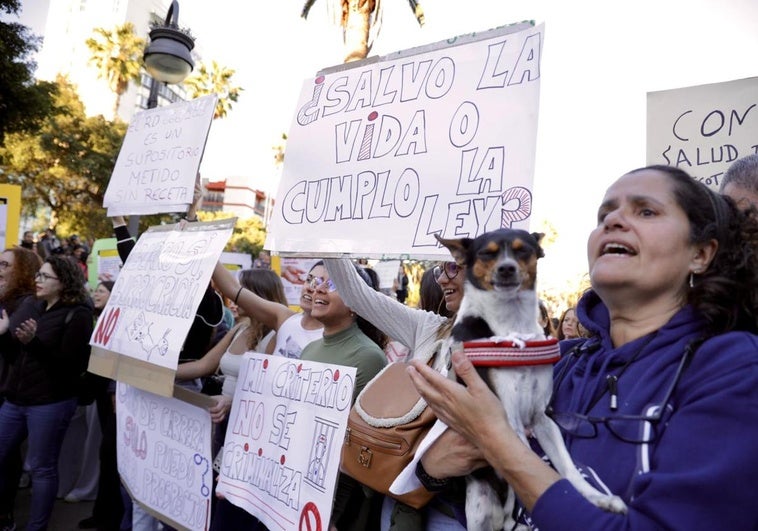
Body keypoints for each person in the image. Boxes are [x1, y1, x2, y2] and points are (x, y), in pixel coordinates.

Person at [409, 165, 758, 530]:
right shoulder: (559, 365)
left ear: (701, 254)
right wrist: (434, 468)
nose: (615, 221)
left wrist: (497, 441)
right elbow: (463, 489)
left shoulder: (734, 369)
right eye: (605, 214)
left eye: (646, 211)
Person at [325, 257, 467, 530]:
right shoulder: (429, 328)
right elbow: (357, 295)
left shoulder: (510, 347)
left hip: (453, 512)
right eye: (440, 270)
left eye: (452, 267)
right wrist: (330, 245)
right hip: (399, 496)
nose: (441, 279)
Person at [0, 255, 94, 531]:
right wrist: (5, 335)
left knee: (41, 468)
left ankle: (36, 527)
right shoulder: (33, 304)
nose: (37, 281)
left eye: (44, 277)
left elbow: (69, 366)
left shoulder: (78, 314)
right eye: (38, 275)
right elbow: (15, 355)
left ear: (63, 282)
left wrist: (34, 343)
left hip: (50, 402)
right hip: (15, 400)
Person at [298, 262, 388, 531]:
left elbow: (356, 446)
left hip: (335, 503)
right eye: (316, 282)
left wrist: (333, 514)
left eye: (332, 284)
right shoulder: (310, 349)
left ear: (355, 302)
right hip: (303, 488)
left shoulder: (368, 356)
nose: (318, 290)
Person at [0, 247, 43, 531]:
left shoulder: (26, 303)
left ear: (22, 272)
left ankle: (5, 515)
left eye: (5, 265)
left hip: (7, 390)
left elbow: (14, 351)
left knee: (5, 457)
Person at [211, 261, 323, 360]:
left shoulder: (338, 341)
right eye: (309, 280)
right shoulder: (285, 319)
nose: (311, 288)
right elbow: (234, 290)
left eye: (326, 285)